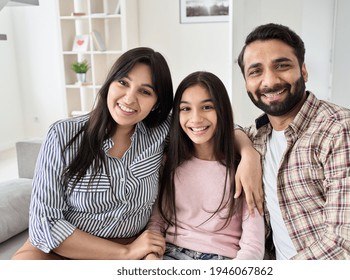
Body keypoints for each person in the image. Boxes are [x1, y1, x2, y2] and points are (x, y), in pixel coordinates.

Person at [12, 48, 262, 260]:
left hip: (131, 244)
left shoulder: (160, 130)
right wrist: (126, 253)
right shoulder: (63, 136)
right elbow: (44, 225)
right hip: (65, 247)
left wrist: (249, 154)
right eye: (123, 82)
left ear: (156, 102)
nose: (129, 98)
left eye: (145, 91)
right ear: (109, 83)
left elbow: (211, 125)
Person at [237, 23, 350, 260]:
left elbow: (347, 250)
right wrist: (246, 152)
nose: (270, 81)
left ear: (304, 71)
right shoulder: (259, 136)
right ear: (246, 83)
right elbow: (225, 129)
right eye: (255, 71)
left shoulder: (345, 131)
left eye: (282, 65)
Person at [145, 71, 265, 260]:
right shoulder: (168, 162)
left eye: (207, 107)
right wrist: (151, 256)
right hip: (170, 253)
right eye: (185, 109)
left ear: (222, 110)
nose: (196, 119)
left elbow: (253, 244)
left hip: (223, 259)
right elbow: (156, 223)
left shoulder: (243, 168)